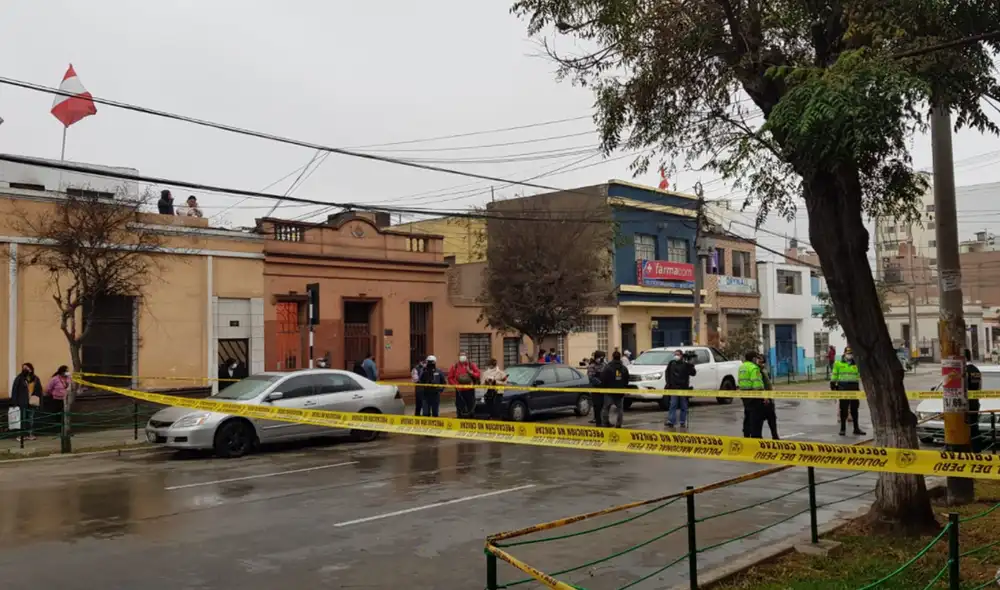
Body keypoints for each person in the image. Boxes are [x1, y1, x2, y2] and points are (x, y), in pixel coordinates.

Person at [832, 347, 866, 436]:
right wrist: (833, 384)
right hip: (843, 388)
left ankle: (856, 428)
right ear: (844, 353)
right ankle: (842, 429)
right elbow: (834, 374)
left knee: (855, 409)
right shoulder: (838, 363)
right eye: (848, 353)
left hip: (854, 388)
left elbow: (860, 375)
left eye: (851, 353)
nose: (849, 355)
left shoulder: (856, 364)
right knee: (843, 409)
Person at [665, 350, 696, 428]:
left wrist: (691, 365)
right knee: (673, 405)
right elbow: (667, 373)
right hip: (674, 388)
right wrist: (668, 383)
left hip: (683, 388)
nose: (676, 356)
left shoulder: (685, 364)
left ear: (681, 355)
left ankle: (682, 421)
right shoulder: (671, 363)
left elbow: (693, 373)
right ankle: (671, 421)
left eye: (678, 354)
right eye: (675, 354)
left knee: (683, 406)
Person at [10, 363, 41, 440]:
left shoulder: (35, 378)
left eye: (27, 368)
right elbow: (14, 390)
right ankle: (21, 435)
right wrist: (14, 403)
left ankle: (30, 434)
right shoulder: (19, 378)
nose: (26, 369)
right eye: (24, 368)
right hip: (21, 402)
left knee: (31, 419)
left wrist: (38, 399)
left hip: (32, 402)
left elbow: (39, 390)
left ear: (31, 368)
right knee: (22, 419)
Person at [600, 350, 630, 428]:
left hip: (609, 391)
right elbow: (627, 379)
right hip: (620, 392)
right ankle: (619, 424)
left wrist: (604, 388)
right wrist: (624, 387)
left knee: (606, 408)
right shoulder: (624, 368)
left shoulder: (608, 367)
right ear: (620, 357)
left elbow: (603, 378)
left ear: (612, 357)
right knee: (620, 409)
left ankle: (605, 423)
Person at [738, 351, 765, 438]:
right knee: (756, 418)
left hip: (744, 395)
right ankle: (756, 437)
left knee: (747, 416)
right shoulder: (754, 368)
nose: (757, 360)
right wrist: (763, 395)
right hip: (754, 396)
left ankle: (746, 435)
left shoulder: (742, 367)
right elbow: (757, 384)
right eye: (756, 358)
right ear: (753, 359)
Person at [448, 351, 481, 418]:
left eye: (464, 355)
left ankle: (471, 420)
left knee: (471, 407)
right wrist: (455, 385)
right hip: (459, 391)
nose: (462, 357)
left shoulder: (471, 365)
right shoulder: (455, 366)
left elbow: (478, 374)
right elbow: (450, 378)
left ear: (466, 356)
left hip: (470, 390)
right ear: (458, 357)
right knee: (460, 407)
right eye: (461, 355)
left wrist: (471, 372)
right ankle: (460, 419)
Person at [965, 348, 984, 452]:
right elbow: (979, 387)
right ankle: (977, 449)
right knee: (974, 426)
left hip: (966, 404)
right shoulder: (976, 370)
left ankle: (970, 450)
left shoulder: (964, 371)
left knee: (966, 427)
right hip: (975, 402)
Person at [757, 354, 779, 439]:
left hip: (769, 397)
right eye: (758, 359)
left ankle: (775, 436)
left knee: (772, 418)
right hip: (763, 398)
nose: (759, 361)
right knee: (759, 419)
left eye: (760, 359)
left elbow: (768, 383)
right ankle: (759, 437)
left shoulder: (765, 370)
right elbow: (760, 385)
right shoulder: (757, 371)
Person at [588, 351, 607, 426]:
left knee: (604, 406)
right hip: (596, 389)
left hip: (604, 389)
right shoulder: (592, 366)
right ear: (596, 357)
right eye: (600, 358)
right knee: (597, 406)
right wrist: (600, 383)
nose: (601, 359)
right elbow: (591, 377)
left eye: (603, 358)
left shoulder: (604, 365)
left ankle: (606, 422)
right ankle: (598, 423)